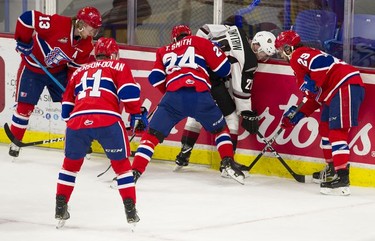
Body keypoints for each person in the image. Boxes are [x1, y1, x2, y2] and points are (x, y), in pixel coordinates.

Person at [131, 24, 246, 185]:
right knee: (221, 130)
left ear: (173, 38)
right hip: (201, 95)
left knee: (151, 136)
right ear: (189, 34)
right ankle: (227, 162)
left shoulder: (164, 50)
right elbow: (224, 69)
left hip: (173, 98)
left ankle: (134, 172)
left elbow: (155, 78)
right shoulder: (200, 41)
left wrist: (171, 91)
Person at [54, 37, 148, 227]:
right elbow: (129, 93)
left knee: (69, 167)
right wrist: (136, 114)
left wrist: (78, 127)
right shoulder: (118, 66)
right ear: (113, 54)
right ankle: (130, 211)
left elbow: (66, 110)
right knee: (122, 166)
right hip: (107, 120)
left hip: (77, 122)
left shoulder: (79, 71)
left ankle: (60, 208)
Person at [174, 25, 277, 174]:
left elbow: (205, 29)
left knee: (197, 112)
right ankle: (227, 164)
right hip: (211, 79)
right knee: (232, 118)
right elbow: (240, 91)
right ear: (256, 45)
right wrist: (246, 112)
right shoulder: (249, 61)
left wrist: (193, 46)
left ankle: (183, 155)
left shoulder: (236, 29)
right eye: (262, 54)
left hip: (193, 69)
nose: (263, 58)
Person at [274, 30, 365, 196]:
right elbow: (313, 98)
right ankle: (331, 169)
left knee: (338, 132)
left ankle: (342, 179)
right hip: (333, 91)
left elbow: (320, 62)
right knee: (325, 129)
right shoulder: (300, 61)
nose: (281, 55)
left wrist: (314, 82)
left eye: (281, 50)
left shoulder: (298, 55)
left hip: (344, 85)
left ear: (288, 48)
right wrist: (297, 114)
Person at [8, 6, 102, 157]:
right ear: (81, 24)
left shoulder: (86, 44)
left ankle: (77, 142)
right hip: (33, 69)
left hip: (58, 72)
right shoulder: (58, 23)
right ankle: (15, 141)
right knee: (24, 108)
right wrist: (24, 41)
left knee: (72, 106)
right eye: (92, 29)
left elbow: (74, 69)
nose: (94, 33)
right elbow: (27, 18)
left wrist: (73, 88)